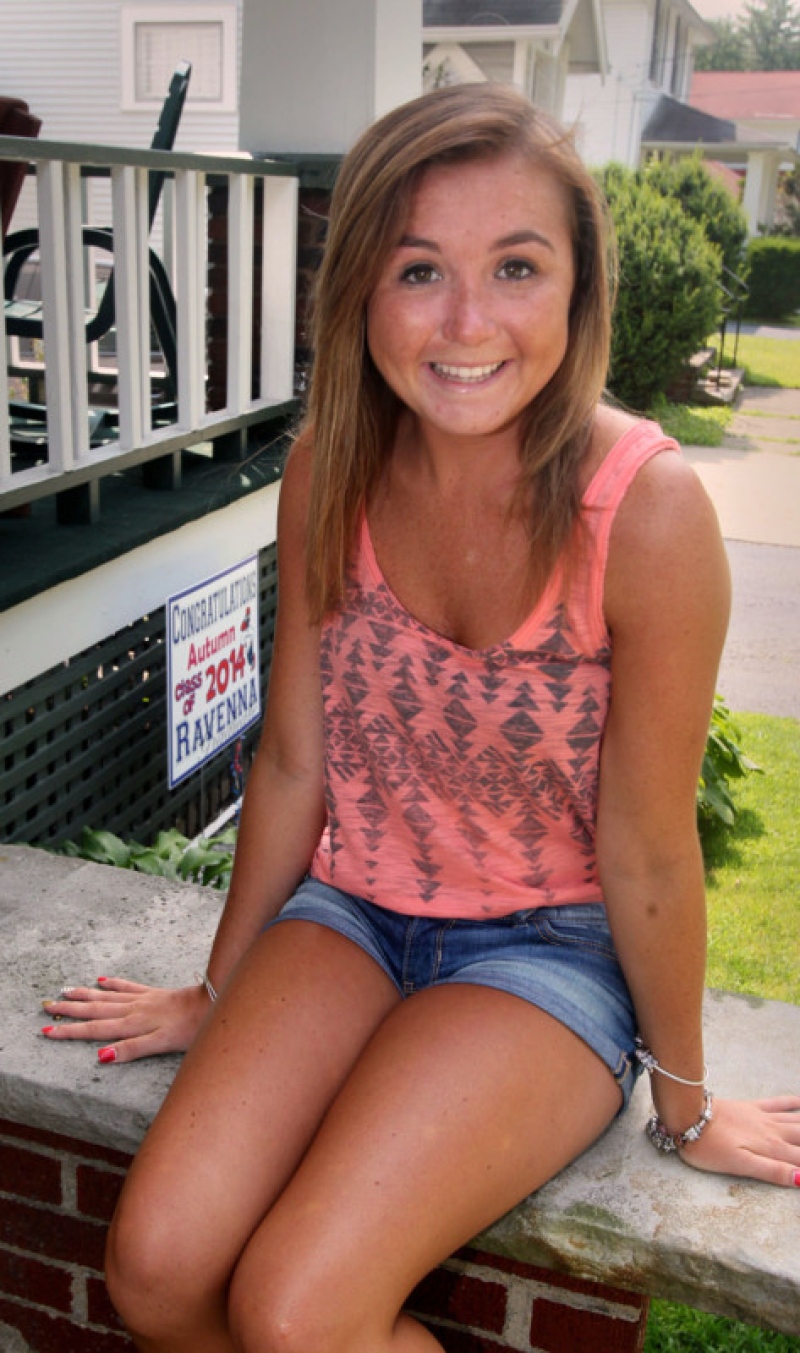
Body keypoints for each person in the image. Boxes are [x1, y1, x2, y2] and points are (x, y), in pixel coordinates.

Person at [40, 84, 800, 1353]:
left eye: (515, 267)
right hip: (349, 914)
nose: (465, 323)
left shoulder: (644, 513)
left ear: (577, 288)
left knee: (297, 1314)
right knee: (158, 1271)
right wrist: (220, 989)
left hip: (547, 954)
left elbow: (649, 848)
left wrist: (682, 1102)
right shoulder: (326, 471)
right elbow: (293, 760)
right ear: (361, 292)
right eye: (417, 270)